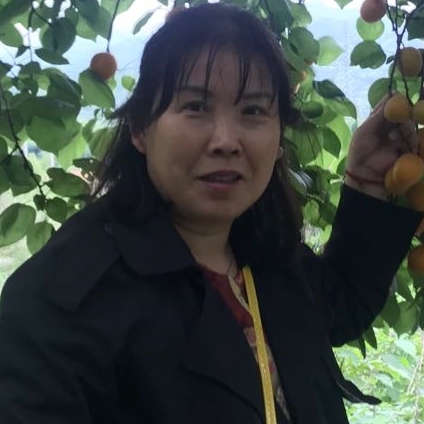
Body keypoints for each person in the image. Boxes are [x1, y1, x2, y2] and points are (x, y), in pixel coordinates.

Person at [0, 3, 421, 424]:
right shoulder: (61, 302)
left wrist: (366, 184)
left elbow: (338, 308)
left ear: (279, 135)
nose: (226, 141)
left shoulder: (261, 250)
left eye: (253, 111)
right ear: (141, 128)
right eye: (196, 107)